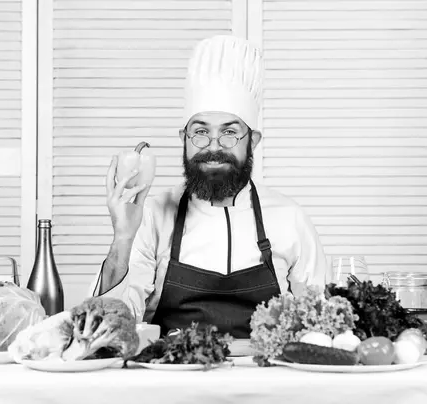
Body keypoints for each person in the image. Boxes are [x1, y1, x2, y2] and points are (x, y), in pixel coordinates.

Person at [89, 35, 327, 339]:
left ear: (252, 141)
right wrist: (122, 238)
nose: (214, 147)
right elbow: (105, 328)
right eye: (201, 132)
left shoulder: (289, 218)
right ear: (184, 139)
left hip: (266, 382)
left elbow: (322, 326)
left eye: (229, 133)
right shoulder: (152, 215)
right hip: (170, 379)